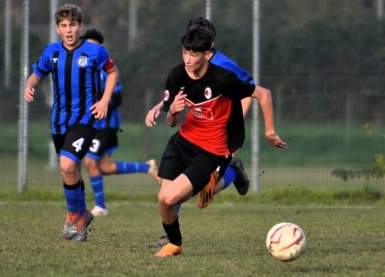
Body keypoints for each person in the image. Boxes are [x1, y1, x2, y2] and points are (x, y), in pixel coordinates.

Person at [153, 25, 287, 257]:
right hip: (181, 141)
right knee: (165, 200)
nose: (187, 58)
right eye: (185, 52)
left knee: (171, 196)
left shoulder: (223, 78)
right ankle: (175, 243)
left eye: (194, 54)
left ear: (207, 54)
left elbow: (263, 93)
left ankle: (231, 172)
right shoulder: (176, 75)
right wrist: (172, 111)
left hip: (211, 149)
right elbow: (171, 122)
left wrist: (270, 132)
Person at [144, 15, 253, 249]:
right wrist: (160, 107)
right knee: (177, 189)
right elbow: (183, 93)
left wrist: (232, 128)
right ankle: (169, 236)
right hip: (192, 136)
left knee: (196, 190)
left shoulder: (223, 67)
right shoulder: (190, 62)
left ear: (209, 46)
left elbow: (250, 90)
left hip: (220, 140)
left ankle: (233, 171)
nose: (189, 52)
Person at [23, 4, 119, 242]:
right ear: (57, 28)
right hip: (59, 122)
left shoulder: (94, 51)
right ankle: (82, 214)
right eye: (64, 26)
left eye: (73, 25)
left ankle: (72, 215)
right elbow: (37, 74)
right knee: (71, 170)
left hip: (86, 119)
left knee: (67, 165)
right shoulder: (51, 52)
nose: (69, 30)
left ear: (80, 27)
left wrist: (105, 100)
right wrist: (30, 85)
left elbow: (113, 72)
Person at [81, 29, 160, 217]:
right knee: (104, 168)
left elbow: (117, 98)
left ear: (102, 47)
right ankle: (147, 167)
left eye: (94, 45)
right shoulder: (83, 68)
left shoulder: (108, 69)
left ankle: (100, 206)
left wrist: (100, 102)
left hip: (106, 125)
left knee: (90, 161)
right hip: (93, 125)